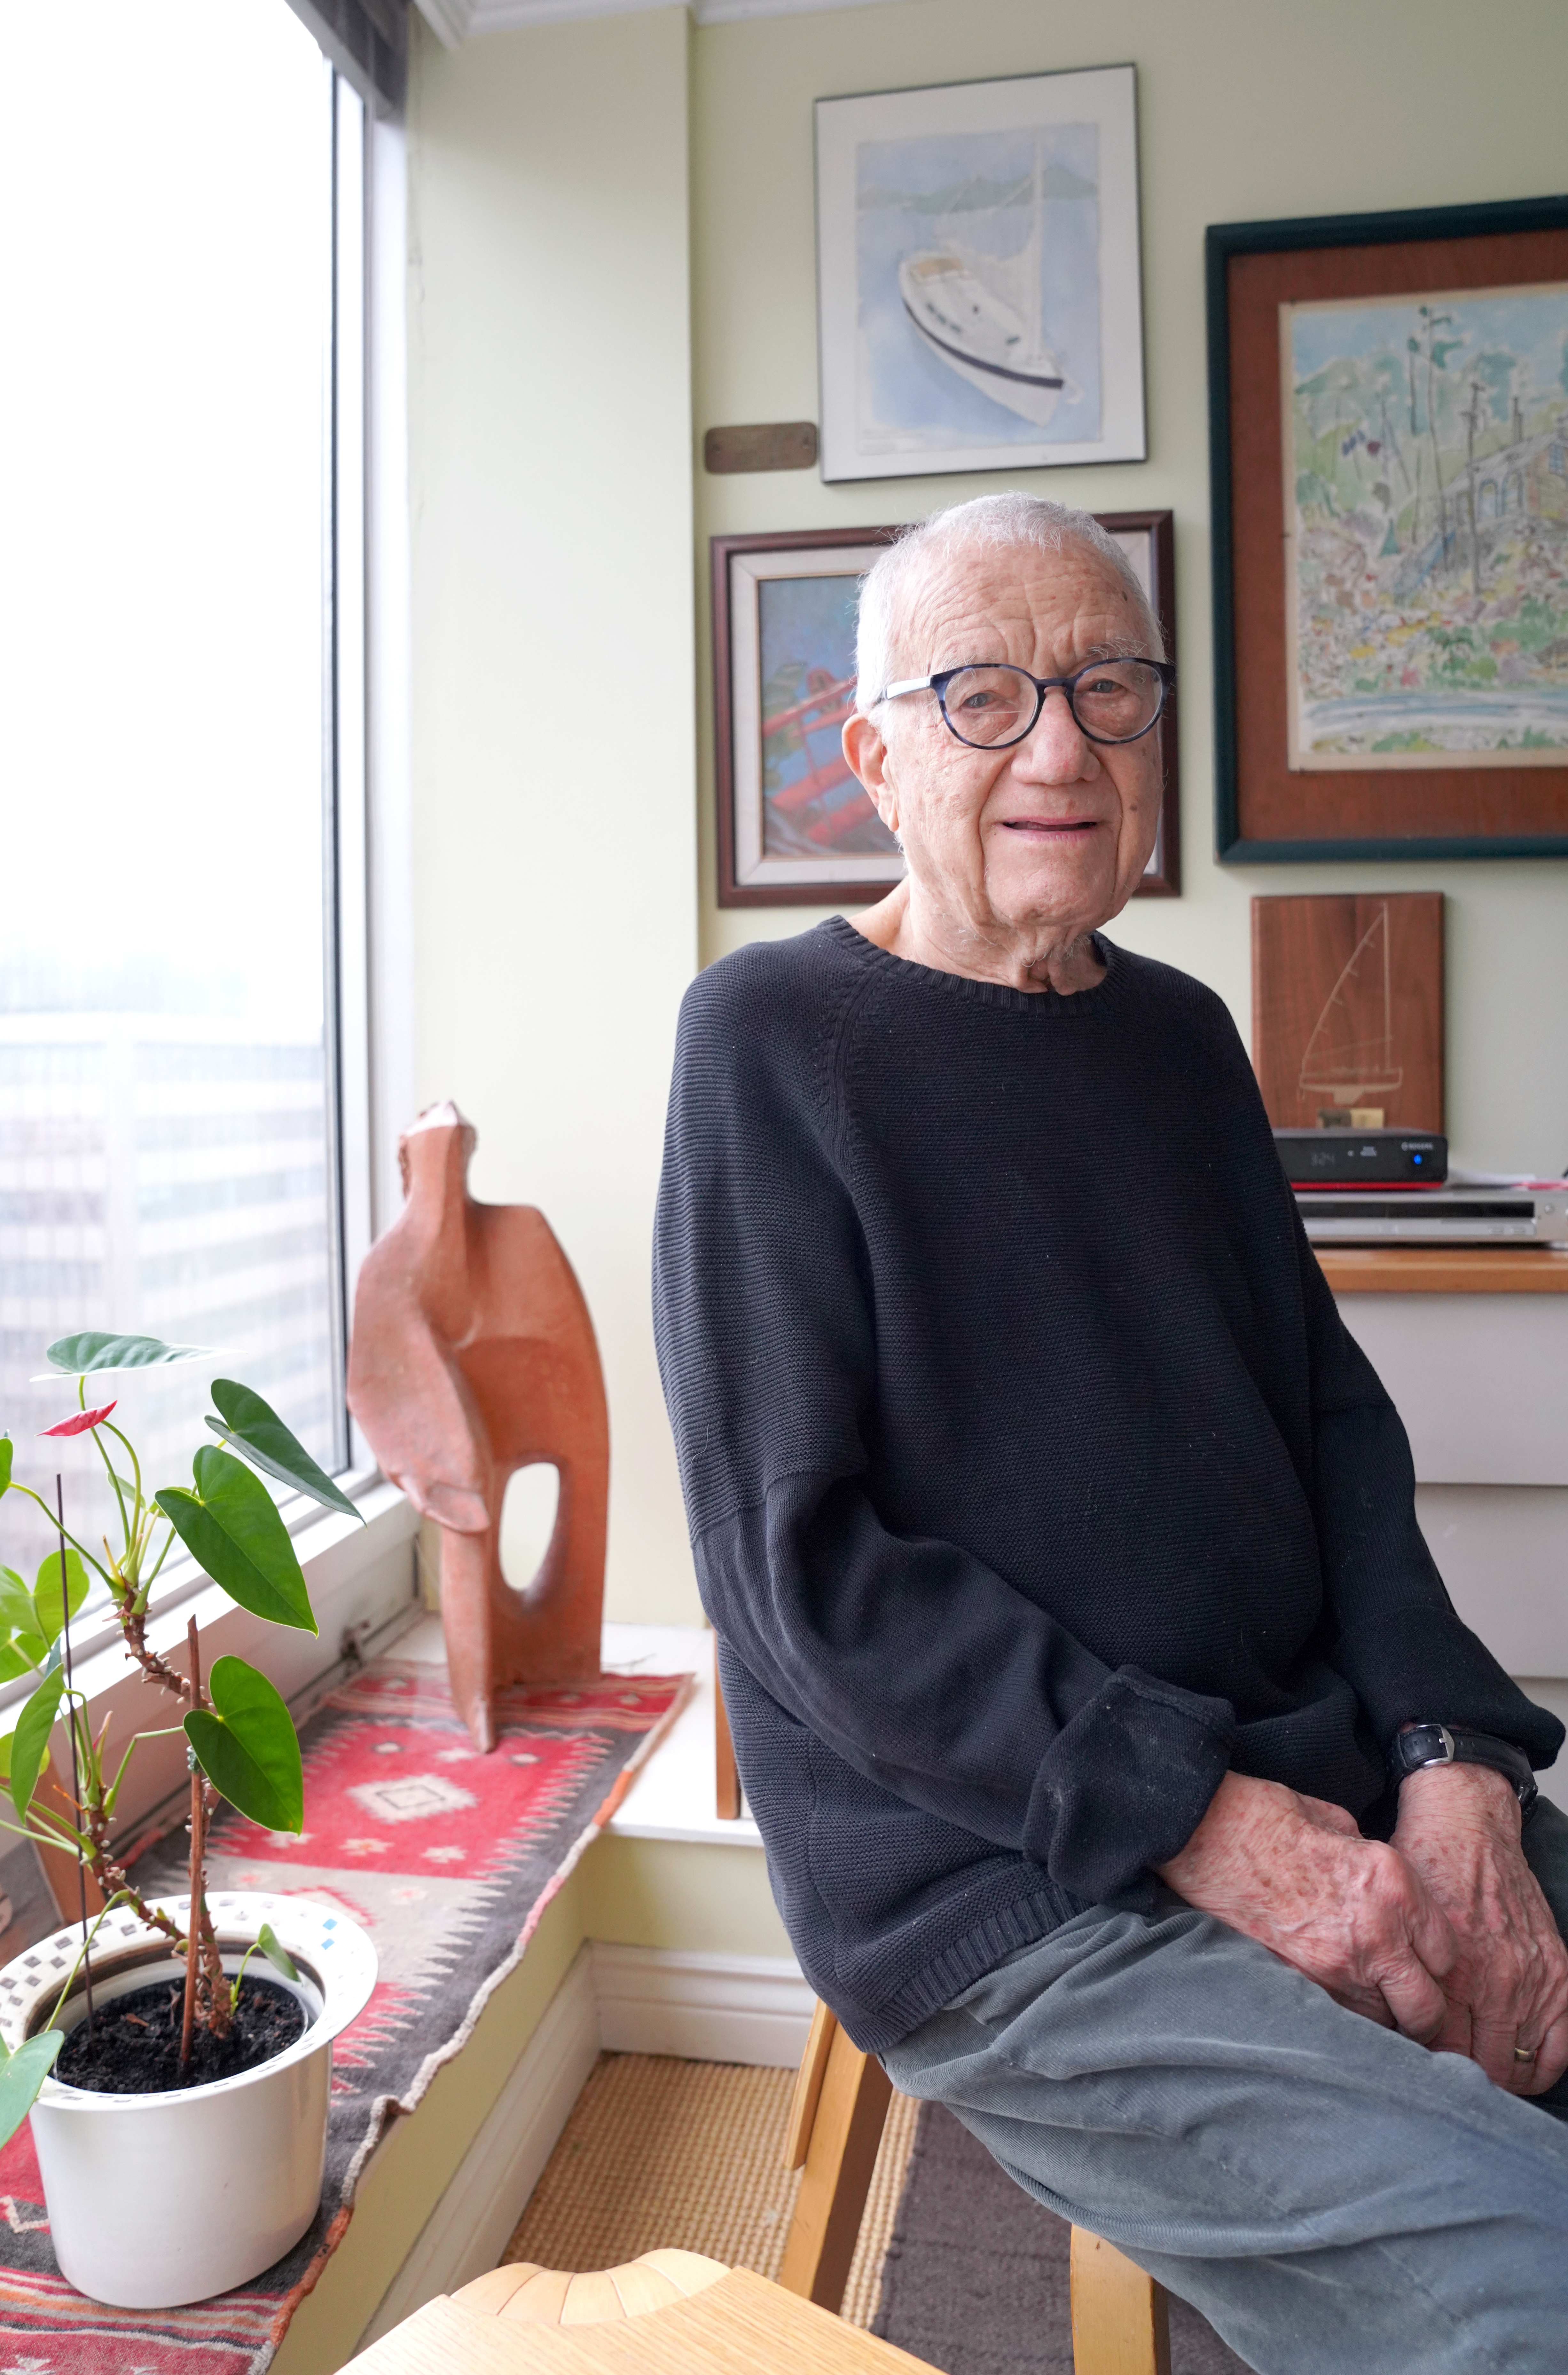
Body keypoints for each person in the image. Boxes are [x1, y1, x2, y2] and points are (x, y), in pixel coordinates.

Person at [652, 493, 1568, 2372]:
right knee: (1524, 2289)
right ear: (871, 751)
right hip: (1009, 1878)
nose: (1057, 745)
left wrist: (1453, 1749)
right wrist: (1204, 1825)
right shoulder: (767, 1039)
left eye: (1105, 688)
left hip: (1310, 1761)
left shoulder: (1181, 1036)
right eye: (981, 694)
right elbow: (802, 1577)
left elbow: (1328, 1427)